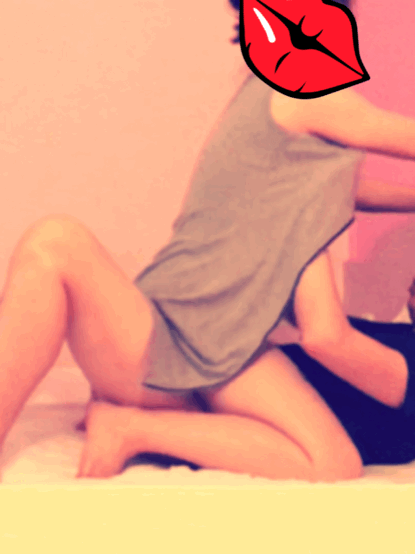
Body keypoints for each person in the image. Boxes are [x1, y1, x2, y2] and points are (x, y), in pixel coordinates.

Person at [2, 0, 415, 482]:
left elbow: (341, 190)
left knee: (334, 461)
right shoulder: (309, 94)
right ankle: (125, 421)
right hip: (166, 342)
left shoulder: (289, 112)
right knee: (54, 242)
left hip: (210, 353)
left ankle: (128, 425)